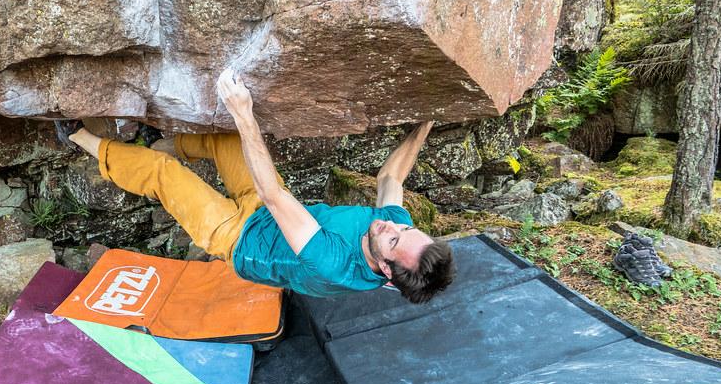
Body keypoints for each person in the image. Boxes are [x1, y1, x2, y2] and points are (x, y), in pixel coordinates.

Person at [58, 69, 454, 303]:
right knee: (229, 141)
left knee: (165, 174)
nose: (391, 226)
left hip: (238, 239)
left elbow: (274, 194)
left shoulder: (335, 265)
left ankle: (78, 137)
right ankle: (155, 139)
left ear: (386, 270)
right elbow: (391, 178)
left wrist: (244, 111)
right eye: (405, 227)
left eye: (394, 240)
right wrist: (427, 123)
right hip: (269, 212)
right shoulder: (393, 231)